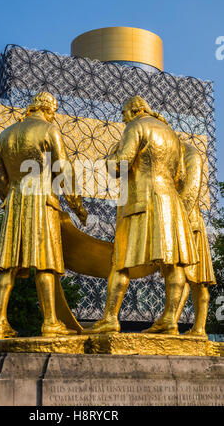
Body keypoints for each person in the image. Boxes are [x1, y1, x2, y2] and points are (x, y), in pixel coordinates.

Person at [90, 95, 199, 335]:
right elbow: (180, 175)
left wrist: (108, 160)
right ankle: (171, 318)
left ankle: (110, 317)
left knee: (120, 262)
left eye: (123, 115)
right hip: (170, 203)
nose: (123, 119)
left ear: (132, 111)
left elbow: (122, 164)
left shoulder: (136, 126)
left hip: (141, 200)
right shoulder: (171, 134)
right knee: (173, 263)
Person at [0, 91, 87, 339]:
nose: (54, 115)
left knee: (7, 266)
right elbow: (63, 168)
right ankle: (49, 321)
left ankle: (0, 323)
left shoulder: (5, 134)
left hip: (15, 202)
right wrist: (77, 205)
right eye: (54, 110)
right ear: (46, 108)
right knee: (45, 263)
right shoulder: (48, 130)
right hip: (42, 200)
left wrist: (10, 199)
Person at [173, 142, 216, 337]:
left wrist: (177, 222)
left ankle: (193, 327)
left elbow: (191, 190)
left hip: (190, 224)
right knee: (191, 278)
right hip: (186, 221)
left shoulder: (189, 154)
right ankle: (192, 327)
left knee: (193, 278)